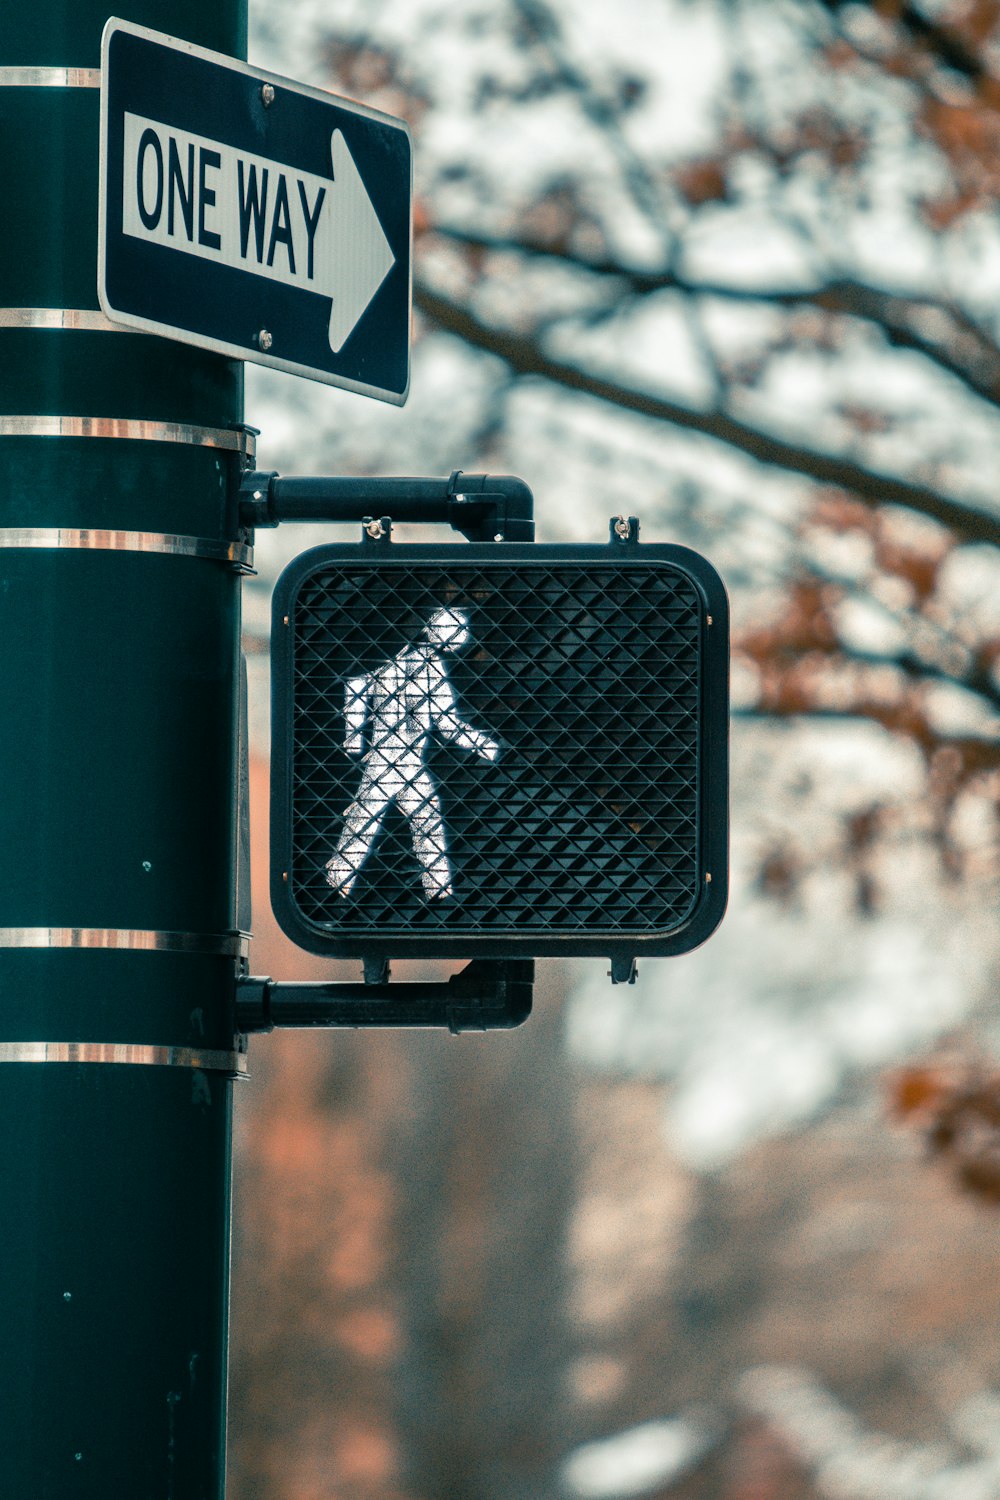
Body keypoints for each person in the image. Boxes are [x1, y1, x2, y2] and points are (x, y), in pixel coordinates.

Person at [325, 607, 499, 900]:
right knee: (412, 823)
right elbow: (447, 723)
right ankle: (437, 892)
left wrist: (353, 738)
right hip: (397, 759)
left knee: (374, 823)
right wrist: (486, 746)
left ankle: (341, 880)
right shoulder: (429, 668)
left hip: (392, 759)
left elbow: (356, 686)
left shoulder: (395, 659)